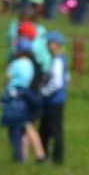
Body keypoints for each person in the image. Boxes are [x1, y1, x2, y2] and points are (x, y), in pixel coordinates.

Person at [0, 44, 41, 163]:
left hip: (14, 95)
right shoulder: (30, 63)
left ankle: (18, 155)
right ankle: (22, 155)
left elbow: (8, 77)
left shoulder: (15, 64)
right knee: (23, 125)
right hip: (26, 95)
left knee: (14, 129)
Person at [37, 30, 69, 166]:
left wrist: (43, 92)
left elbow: (57, 82)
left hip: (53, 101)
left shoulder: (57, 60)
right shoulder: (62, 59)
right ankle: (48, 156)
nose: (48, 45)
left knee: (53, 130)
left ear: (57, 44)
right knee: (47, 129)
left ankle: (56, 158)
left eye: (50, 43)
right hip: (58, 100)